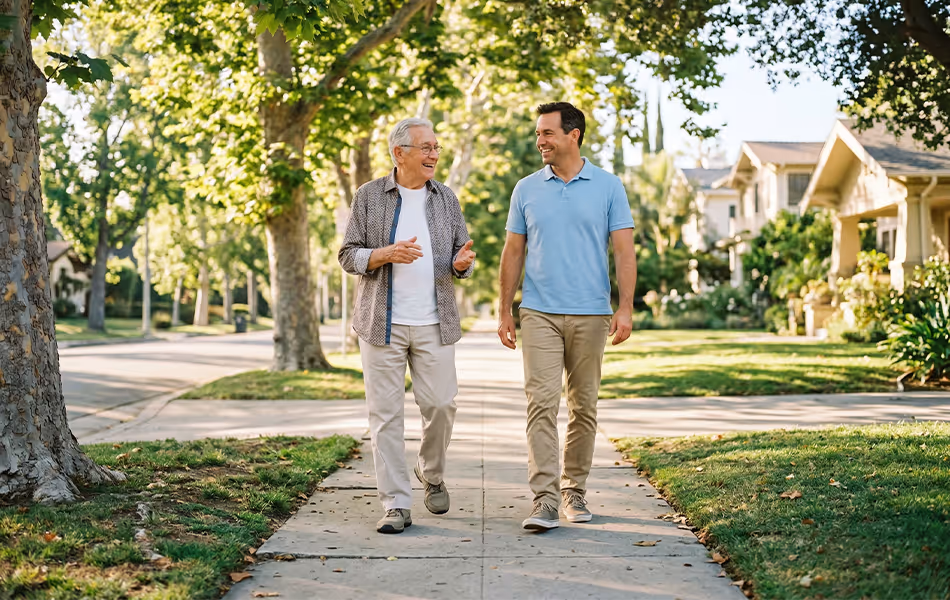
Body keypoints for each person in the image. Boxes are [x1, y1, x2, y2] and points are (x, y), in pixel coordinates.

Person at [497, 102, 637, 531]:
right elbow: (513, 251)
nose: (540, 141)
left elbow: (623, 250)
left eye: (547, 133)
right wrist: (505, 308)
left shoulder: (609, 186)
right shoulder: (526, 188)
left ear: (572, 135)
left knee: (584, 406)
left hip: (591, 312)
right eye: (538, 134)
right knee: (540, 403)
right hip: (538, 311)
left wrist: (626, 306)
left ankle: (574, 491)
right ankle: (544, 499)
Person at [339, 117, 476, 534]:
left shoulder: (445, 198)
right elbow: (348, 256)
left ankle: (431, 472)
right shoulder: (368, 197)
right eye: (426, 147)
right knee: (385, 416)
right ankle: (396, 504)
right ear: (400, 154)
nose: (434, 154)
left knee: (441, 405)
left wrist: (461, 265)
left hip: (435, 322)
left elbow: (461, 255)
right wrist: (383, 254)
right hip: (381, 323)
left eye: (436, 147)